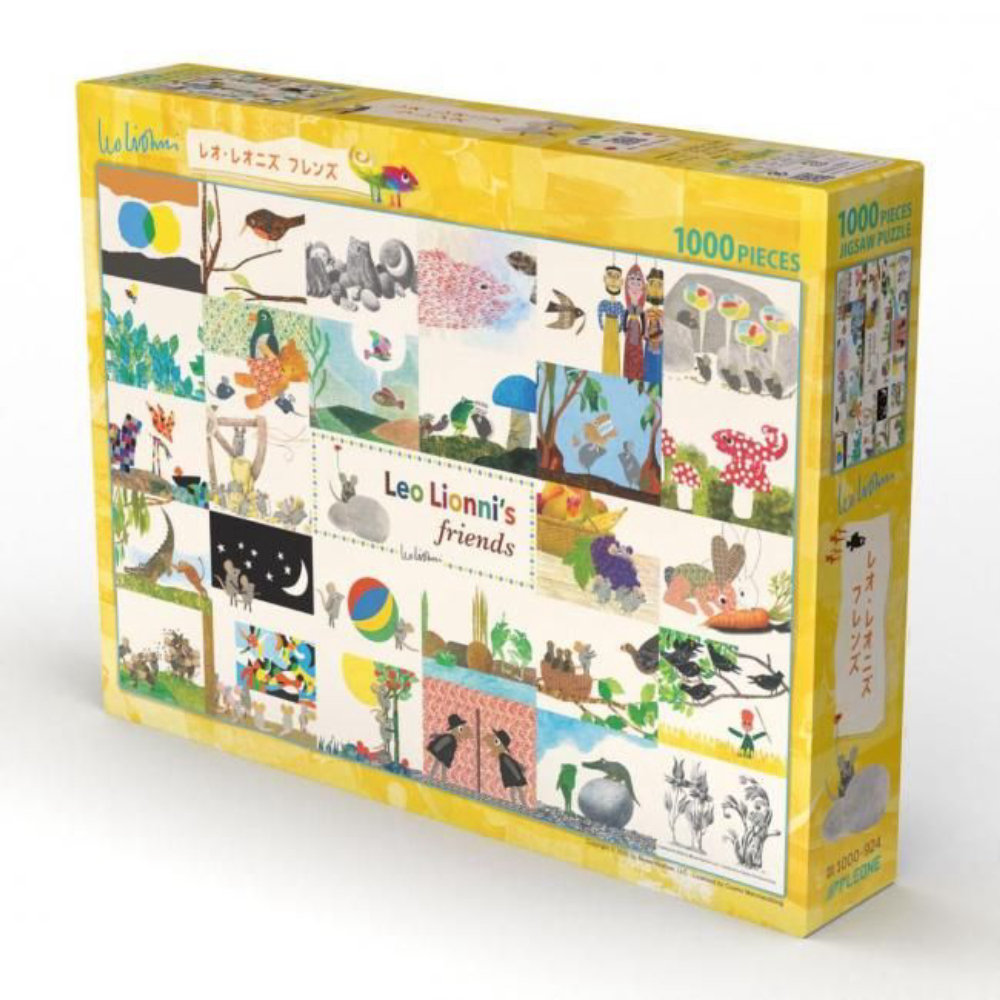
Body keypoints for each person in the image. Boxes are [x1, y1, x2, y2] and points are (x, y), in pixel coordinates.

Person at [483, 728, 528, 807]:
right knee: (515, 791)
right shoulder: (503, 755)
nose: (493, 743)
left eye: (496, 741)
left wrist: (518, 777)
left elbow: (511, 766)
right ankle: (518, 804)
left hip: (514, 776)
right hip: (513, 776)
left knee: (517, 791)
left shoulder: (504, 756)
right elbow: (512, 764)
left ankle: (523, 804)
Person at [597, 264, 625, 376]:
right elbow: (599, 314)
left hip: (614, 325)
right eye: (610, 275)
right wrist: (601, 325)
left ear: (621, 282)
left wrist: (620, 328)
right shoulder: (603, 303)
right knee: (607, 349)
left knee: (615, 348)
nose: (613, 280)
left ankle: (615, 370)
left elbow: (622, 318)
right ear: (605, 279)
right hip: (608, 325)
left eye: (617, 276)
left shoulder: (620, 305)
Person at [426, 713, 470, 782]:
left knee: (442, 766)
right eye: (460, 729)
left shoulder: (452, 737)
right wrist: (436, 749)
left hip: (446, 754)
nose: (461, 730)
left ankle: (440, 780)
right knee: (438, 764)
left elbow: (442, 737)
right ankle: (433, 779)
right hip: (443, 753)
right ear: (454, 728)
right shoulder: (450, 737)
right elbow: (442, 741)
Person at [621, 263, 646, 382]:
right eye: (632, 283)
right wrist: (625, 329)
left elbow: (643, 319)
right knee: (629, 351)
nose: (635, 287)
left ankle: (638, 372)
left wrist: (643, 332)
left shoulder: (640, 309)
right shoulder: (629, 308)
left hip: (638, 330)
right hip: (630, 330)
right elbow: (624, 317)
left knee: (638, 350)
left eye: (638, 284)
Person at [642, 266, 665, 385]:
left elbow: (664, 331)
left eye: (659, 285)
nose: (656, 289)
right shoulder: (646, 313)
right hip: (649, 345)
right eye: (652, 284)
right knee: (648, 366)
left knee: (658, 366)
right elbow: (644, 333)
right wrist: (649, 335)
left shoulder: (663, 314)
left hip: (660, 345)